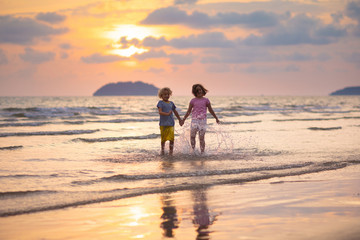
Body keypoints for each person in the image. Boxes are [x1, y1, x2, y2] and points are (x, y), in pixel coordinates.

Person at [182, 84, 220, 153]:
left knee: (201, 138)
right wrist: (183, 119)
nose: (199, 91)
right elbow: (188, 111)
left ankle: (202, 152)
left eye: (200, 90)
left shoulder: (206, 100)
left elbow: (211, 110)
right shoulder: (193, 101)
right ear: (194, 92)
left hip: (202, 121)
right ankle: (193, 151)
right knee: (192, 136)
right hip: (194, 121)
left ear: (203, 90)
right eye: (197, 90)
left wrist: (216, 118)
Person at [157, 87, 182, 155]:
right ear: (161, 95)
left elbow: (175, 112)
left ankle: (171, 152)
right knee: (163, 139)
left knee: (171, 139)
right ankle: (162, 151)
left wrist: (180, 119)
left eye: (168, 94)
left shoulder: (171, 103)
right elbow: (160, 112)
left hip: (171, 124)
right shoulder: (160, 103)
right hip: (163, 124)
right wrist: (167, 114)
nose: (166, 96)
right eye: (165, 94)